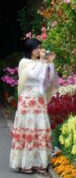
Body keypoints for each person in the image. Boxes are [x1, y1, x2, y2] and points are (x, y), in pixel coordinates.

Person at [9, 38, 58, 174]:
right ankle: (25, 164)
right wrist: (43, 63)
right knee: (28, 131)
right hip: (27, 100)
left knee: (39, 130)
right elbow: (33, 75)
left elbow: (48, 80)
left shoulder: (39, 63)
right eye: (36, 48)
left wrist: (49, 65)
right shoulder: (24, 63)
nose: (39, 50)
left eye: (40, 47)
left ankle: (40, 163)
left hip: (39, 100)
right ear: (30, 49)